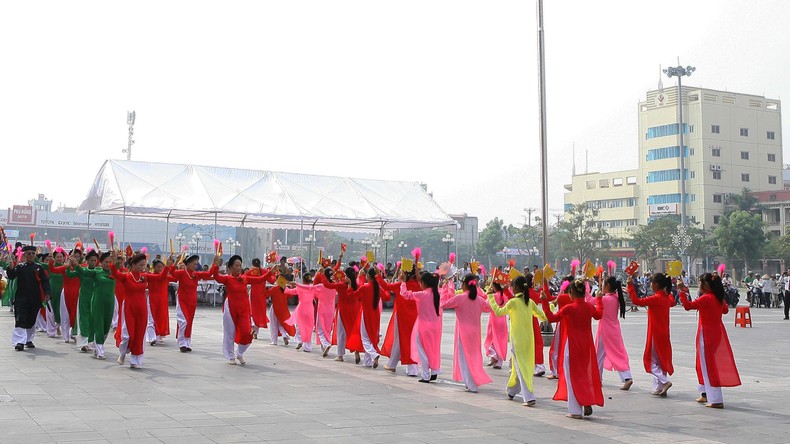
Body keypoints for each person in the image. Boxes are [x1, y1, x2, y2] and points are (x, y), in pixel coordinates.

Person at [540, 277, 604, 419]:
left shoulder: (569, 308)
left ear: (572, 293)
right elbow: (599, 315)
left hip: (572, 345)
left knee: (571, 375)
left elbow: (551, 318)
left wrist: (544, 302)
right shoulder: (589, 307)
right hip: (586, 345)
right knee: (583, 374)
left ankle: (575, 410)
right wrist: (599, 299)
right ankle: (586, 400)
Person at [677, 273, 741, 408]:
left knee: (708, 366)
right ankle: (705, 393)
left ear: (706, 284)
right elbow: (725, 310)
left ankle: (716, 399)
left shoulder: (706, 298)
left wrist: (682, 291)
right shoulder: (717, 298)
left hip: (706, 335)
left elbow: (688, 306)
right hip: (716, 333)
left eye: (700, 282)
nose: (699, 285)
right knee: (703, 364)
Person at [488, 275, 546, 406]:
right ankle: (511, 391)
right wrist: (548, 306)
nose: (511, 288)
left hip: (518, 341)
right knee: (517, 366)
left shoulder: (513, 302)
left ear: (516, 287)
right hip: (529, 340)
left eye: (512, 286)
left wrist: (490, 297)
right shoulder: (529, 302)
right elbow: (542, 316)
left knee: (521, 367)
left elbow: (499, 312)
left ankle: (529, 397)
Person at [110, 252, 167, 369]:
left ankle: (135, 360)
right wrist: (113, 262)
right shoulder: (126, 276)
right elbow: (115, 274)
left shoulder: (144, 276)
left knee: (140, 334)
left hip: (142, 308)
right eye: (140, 265)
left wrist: (169, 266)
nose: (143, 267)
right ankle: (123, 352)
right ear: (133, 265)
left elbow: (160, 277)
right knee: (127, 334)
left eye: (144, 265)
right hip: (129, 307)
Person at [214, 254, 271, 364]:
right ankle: (231, 356)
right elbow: (216, 277)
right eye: (236, 265)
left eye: (240, 265)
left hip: (244, 309)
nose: (239, 268)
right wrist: (215, 265)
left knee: (247, 333)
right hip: (230, 307)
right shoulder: (227, 279)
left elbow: (260, 279)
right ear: (231, 267)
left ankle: (239, 353)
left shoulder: (245, 278)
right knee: (229, 333)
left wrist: (270, 272)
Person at [440, 274, 493, 393]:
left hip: (463, 332)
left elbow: (443, 304)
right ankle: (472, 381)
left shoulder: (461, 298)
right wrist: (489, 296)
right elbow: (489, 308)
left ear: (464, 285)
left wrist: (445, 289)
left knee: (464, 358)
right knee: (473, 356)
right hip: (475, 333)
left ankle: (471, 384)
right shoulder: (479, 299)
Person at [627, 273, 674, 397]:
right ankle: (659, 387)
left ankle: (664, 381)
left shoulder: (656, 298)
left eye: (651, 283)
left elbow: (636, 301)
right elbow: (672, 301)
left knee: (650, 360)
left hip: (655, 333)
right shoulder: (667, 298)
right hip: (664, 332)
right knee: (660, 360)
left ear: (656, 284)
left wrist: (630, 286)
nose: (650, 285)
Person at [398, 271, 445, 382]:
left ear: (423, 283)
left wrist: (403, 282)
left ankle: (425, 374)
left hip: (423, 327)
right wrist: (449, 282)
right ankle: (435, 370)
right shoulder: (440, 293)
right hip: (436, 327)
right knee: (434, 349)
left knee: (422, 351)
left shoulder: (422, 295)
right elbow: (449, 293)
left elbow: (405, 294)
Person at [4, 245, 51, 350]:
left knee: (32, 319)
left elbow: (45, 281)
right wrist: (10, 269)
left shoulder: (39, 268)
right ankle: (19, 341)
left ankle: (28, 339)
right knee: (20, 319)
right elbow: (11, 276)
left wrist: (47, 293)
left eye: (33, 253)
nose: (31, 255)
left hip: (34, 297)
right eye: (29, 254)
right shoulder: (20, 267)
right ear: (24, 255)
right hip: (21, 297)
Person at [169, 254, 220, 352]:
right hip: (182, 300)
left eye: (196, 264)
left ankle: (187, 343)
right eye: (193, 264)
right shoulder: (182, 273)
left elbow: (209, 274)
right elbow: (172, 272)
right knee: (183, 321)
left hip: (192, 301)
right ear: (187, 264)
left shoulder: (195, 274)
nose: (195, 266)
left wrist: (215, 263)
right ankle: (181, 343)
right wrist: (176, 261)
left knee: (189, 322)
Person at [378, 269, 420, 376]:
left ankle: (409, 368)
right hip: (415, 317)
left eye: (402, 272)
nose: (400, 274)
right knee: (411, 340)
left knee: (401, 339)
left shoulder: (401, 285)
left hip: (402, 316)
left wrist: (378, 275)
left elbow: (386, 286)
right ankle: (394, 364)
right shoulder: (419, 285)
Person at [595, 276, 633, 390]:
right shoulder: (616, 297)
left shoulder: (605, 299)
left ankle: (597, 378)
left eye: (603, 284)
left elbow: (590, 301)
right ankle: (627, 377)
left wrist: (593, 293)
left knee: (598, 355)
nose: (601, 286)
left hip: (604, 330)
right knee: (618, 354)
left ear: (607, 286)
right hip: (614, 329)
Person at [349, 267, 391, 368]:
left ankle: (374, 354)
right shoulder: (378, 287)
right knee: (370, 337)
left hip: (366, 314)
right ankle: (367, 362)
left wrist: (350, 285)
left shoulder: (365, 287)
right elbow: (387, 297)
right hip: (375, 315)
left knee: (364, 338)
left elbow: (353, 296)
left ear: (368, 276)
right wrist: (388, 288)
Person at [323, 267, 362, 362]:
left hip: (343, 310)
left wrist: (323, 274)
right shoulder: (357, 285)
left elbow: (327, 285)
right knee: (353, 331)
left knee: (341, 332)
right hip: (354, 310)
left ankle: (340, 355)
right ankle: (356, 350)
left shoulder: (341, 285)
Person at [67, 249, 99, 352]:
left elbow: (87, 272)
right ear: (87, 261)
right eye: (91, 260)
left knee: (93, 320)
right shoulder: (81, 270)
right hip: (84, 298)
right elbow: (69, 274)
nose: (93, 262)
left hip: (95, 298)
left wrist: (77, 266)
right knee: (84, 319)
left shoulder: (98, 271)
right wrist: (69, 264)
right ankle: (84, 343)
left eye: (95, 260)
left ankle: (92, 342)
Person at [284, 273, 317, 352]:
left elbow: (289, 291)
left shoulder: (300, 288)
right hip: (310, 308)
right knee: (309, 327)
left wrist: (284, 285)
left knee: (299, 326)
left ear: (303, 280)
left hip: (301, 308)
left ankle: (299, 341)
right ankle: (307, 347)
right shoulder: (313, 288)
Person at [484, 281, 511, 369]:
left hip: (494, 320)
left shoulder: (494, 296)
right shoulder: (505, 296)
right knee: (500, 341)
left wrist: (488, 295)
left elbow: (486, 307)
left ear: (495, 287)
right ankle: (499, 363)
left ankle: (493, 355)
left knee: (491, 339)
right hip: (503, 320)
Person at [145, 259, 172, 345]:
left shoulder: (166, 276)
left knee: (160, 318)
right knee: (151, 318)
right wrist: (167, 267)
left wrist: (175, 263)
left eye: (161, 267)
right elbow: (160, 277)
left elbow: (175, 277)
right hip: (152, 299)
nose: (160, 268)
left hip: (162, 300)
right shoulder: (150, 275)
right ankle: (151, 337)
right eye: (158, 267)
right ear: (154, 267)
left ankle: (158, 335)